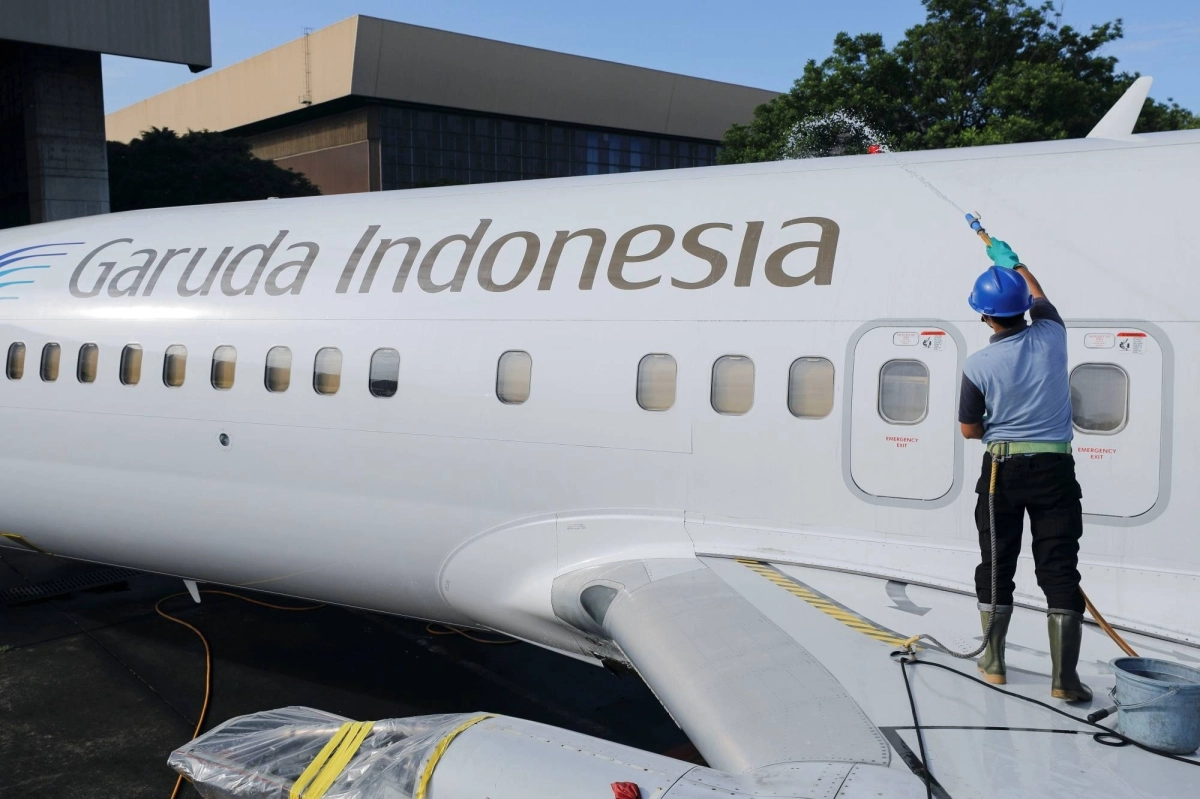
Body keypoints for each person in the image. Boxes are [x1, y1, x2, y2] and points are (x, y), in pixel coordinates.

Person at [959, 239, 1091, 702]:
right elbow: (1039, 295)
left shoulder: (978, 365)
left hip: (1002, 473)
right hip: (1056, 469)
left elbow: (969, 430)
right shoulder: (1053, 335)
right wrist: (1014, 264)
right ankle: (1065, 681)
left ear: (985, 318)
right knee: (1059, 569)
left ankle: (993, 663)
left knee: (997, 564)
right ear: (1023, 310)